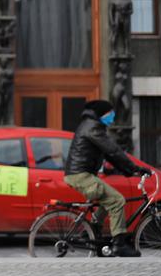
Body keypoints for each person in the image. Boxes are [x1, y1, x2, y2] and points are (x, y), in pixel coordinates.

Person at [63, 99, 151, 257]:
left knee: (109, 199)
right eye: (110, 113)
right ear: (102, 114)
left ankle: (91, 230)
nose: (113, 117)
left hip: (80, 174)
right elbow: (114, 151)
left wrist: (128, 171)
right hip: (80, 175)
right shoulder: (93, 127)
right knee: (117, 200)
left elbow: (110, 156)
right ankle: (119, 244)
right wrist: (135, 168)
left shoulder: (92, 125)